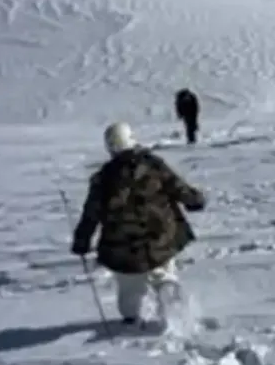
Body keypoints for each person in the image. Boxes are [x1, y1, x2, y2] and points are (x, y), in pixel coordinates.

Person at [71, 122, 205, 327]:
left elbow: (91, 213)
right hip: (160, 237)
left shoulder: (103, 177)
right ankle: (168, 293)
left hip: (121, 246)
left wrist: (82, 240)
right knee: (162, 269)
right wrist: (195, 200)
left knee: (129, 287)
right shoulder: (153, 165)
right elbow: (177, 187)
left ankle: (131, 316)